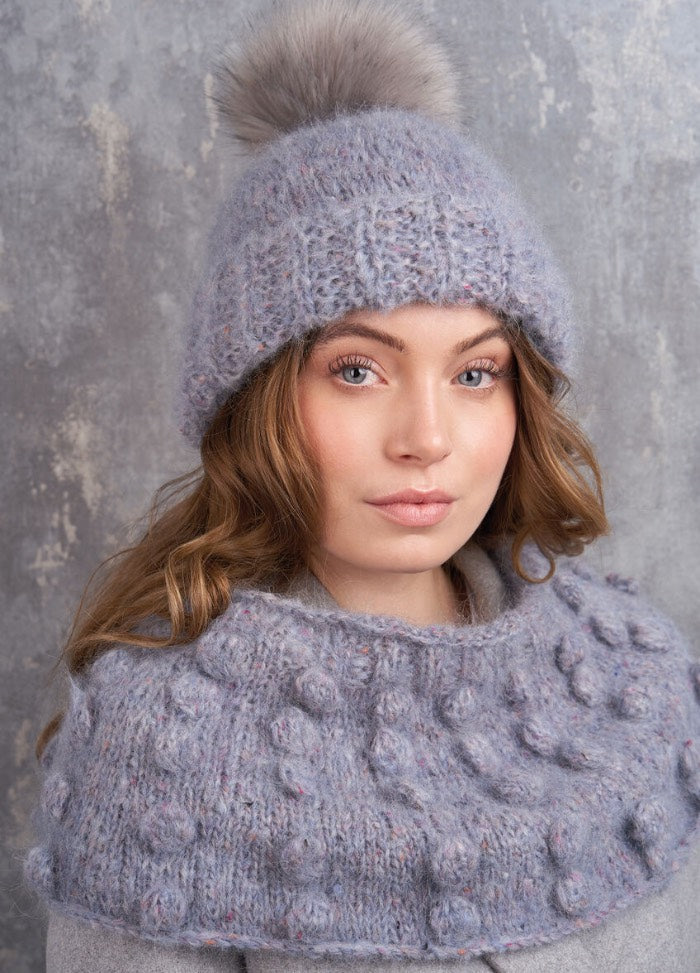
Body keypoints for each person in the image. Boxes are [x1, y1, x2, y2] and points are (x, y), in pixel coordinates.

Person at [24, 0, 700, 970]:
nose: (426, 438)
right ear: (256, 397)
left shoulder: (634, 681)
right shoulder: (158, 754)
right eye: (357, 369)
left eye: (475, 372)